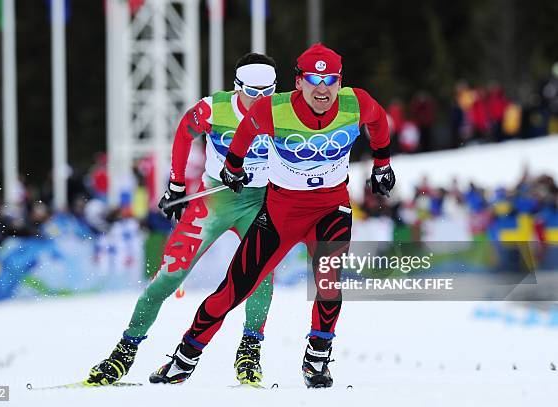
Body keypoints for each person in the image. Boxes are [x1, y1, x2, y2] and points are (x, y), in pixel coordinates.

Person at [149, 44, 395, 388]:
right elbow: (246, 131)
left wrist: (382, 164)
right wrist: (233, 167)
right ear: (298, 82)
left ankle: (317, 359)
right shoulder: (274, 109)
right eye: (313, 79)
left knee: (328, 281)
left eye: (330, 80)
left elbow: (379, 121)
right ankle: (185, 356)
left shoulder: (356, 102)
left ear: (340, 82)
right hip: (281, 213)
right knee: (235, 289)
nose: (322, 89)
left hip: (331, 208)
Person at [85, 53, 279, 387]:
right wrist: (176, 183)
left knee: (260, 274)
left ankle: (250, 350)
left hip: (260, 201)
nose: (261, 100)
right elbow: (184, 133)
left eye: (269, 92)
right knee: (169, 276)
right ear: (237, 87)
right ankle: (125, 350)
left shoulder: (284, 110)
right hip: (216, 199)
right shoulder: (214, 108)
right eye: (253, 92)